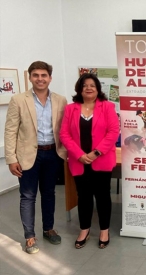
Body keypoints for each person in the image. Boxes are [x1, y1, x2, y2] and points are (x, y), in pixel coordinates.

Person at [4, 61, 67, 254]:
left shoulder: (60, 100)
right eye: (36, 75)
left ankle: (48, 229)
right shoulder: (18, 100)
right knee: (28, 196)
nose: (40, 79)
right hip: (27, 155)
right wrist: (11, 158)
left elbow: (64, 130)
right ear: (30, 77)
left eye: (44, 75)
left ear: (50, 78)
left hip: (52, 154)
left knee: (49, 194)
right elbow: (10, 130)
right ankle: (30, 237)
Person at [60, 73, 119, 249]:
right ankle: (84, 229)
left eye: (92, 85)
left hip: (101, 160)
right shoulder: (71, 109)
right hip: (79, 161)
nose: (88, 88)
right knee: (83, 196)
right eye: (85, 85)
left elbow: (113, 131)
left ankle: (104, 230)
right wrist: (79, 154)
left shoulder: (107, 107)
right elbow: (64, 134)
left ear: (98, 88)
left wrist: (96, 153)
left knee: (102, 196)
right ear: (79, 88)